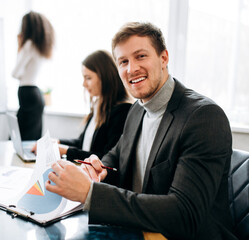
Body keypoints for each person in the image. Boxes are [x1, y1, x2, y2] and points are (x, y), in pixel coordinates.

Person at [45, 22, 237, 240]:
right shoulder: (137, 110)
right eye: (123, 61)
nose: (131, 69)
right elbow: (116, 156)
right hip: (139, 230)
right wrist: (96, 165)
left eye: (141, 56)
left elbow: (185, 214)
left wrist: (90, 193)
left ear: (164, 58)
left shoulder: (203, 117)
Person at [41, 50, 132, 160]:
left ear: (105, 77)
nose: (84, 84)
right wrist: (58, 142)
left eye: (88, 78)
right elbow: (82, 143)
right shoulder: (99, 105)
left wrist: (66, 151)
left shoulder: (122, 111)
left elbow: (107, 158)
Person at [12, 11, 55, 141]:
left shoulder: (29, 44)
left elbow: (15, 73)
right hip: (35, 94)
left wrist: (19, 47)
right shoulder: (39, 46)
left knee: (21, 137)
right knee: (31, 137)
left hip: (27, 92)